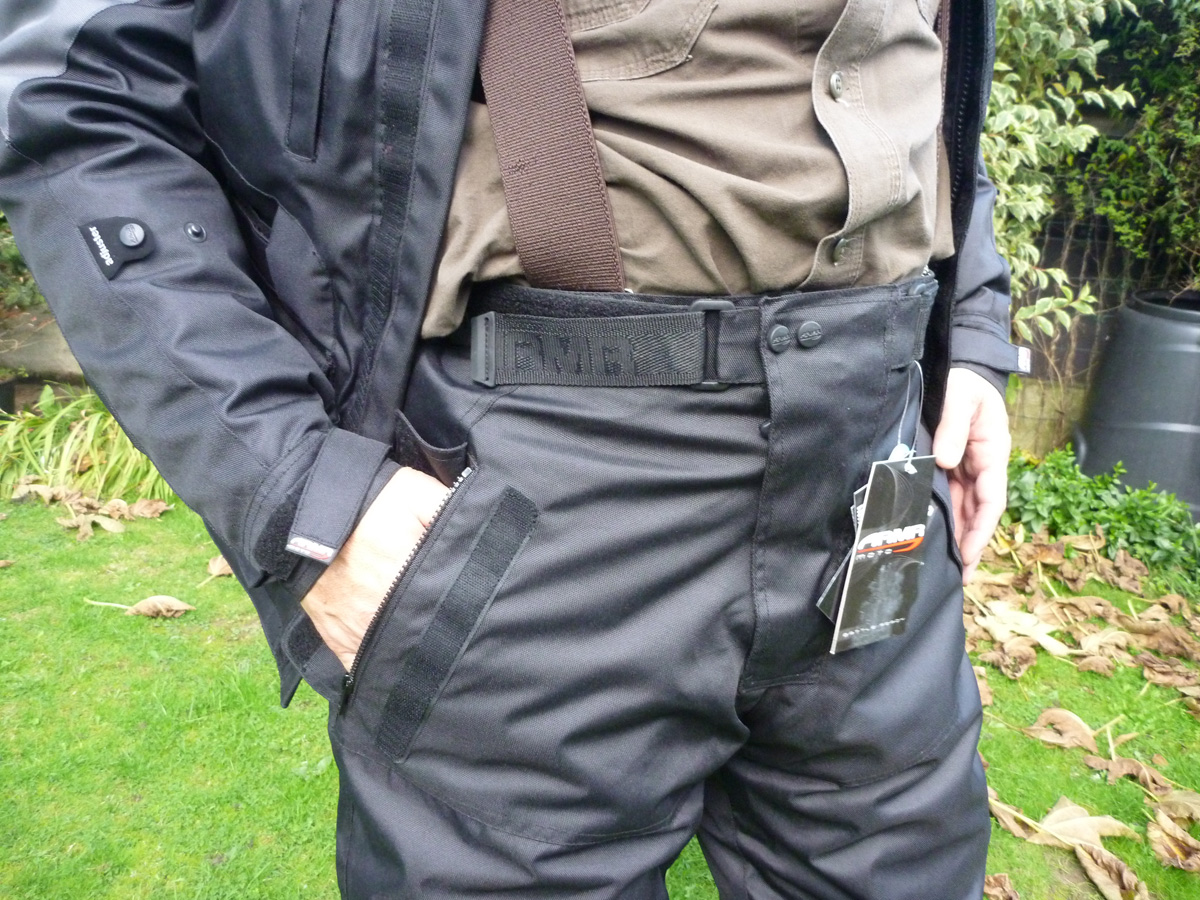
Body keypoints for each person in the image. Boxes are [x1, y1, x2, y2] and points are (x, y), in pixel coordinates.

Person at [0, 1, 1027, 896]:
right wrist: (294, 488)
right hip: (544, 493)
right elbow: (78, 92)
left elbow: (907, 61)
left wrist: (972, 327)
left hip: (880, 459)